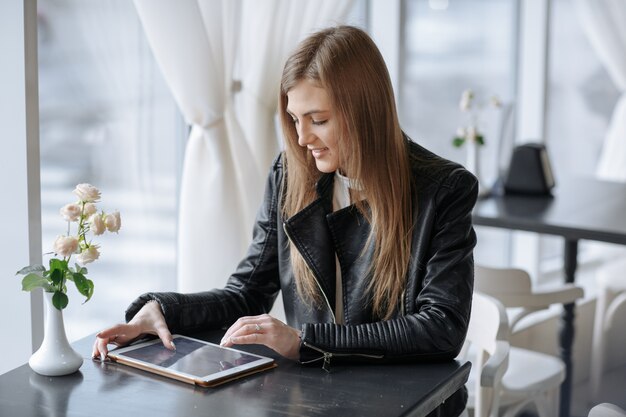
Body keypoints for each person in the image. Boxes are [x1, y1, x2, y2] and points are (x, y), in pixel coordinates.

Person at [93, 25, 477, 416]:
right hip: (313, 401)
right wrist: (162, 311)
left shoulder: (443, 189)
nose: (302, 137)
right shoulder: (290, 176)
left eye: (318, 119)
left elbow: (441, 328)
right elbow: (247, 293)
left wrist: (304, 341)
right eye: (295, 119)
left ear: (365, 111)